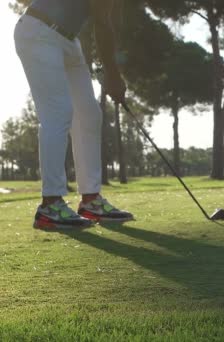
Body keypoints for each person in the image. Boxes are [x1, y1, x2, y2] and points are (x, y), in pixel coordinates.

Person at [14, 0, 134, 230]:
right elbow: (102, 23)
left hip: (68, 41)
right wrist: (113, 74)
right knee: (58, 113)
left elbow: (109, 20)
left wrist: (111, 71)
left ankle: (91, 200)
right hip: (39, 32)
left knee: (89, 115)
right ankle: (50, 205)